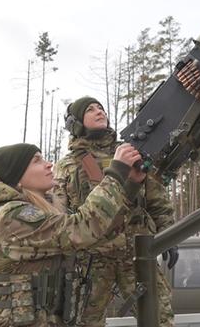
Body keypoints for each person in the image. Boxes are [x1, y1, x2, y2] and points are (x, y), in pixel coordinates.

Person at [0, 142, 144, 327]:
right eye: (37, 161)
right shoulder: (10, 217)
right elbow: (83, 228)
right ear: (17, 177)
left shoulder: (45, 213)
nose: (48, 164)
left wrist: (130, 186)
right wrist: (116, 173)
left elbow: (99, 233)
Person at [53, 96, 176, 326]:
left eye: (101, 108)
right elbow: (59, 216)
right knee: (83, 322)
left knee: (160, 318)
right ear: (76, 122)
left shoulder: (129, 153)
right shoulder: (67, 166)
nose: (99, 112)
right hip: (91, 261)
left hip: (136, 253)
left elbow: (155, 198)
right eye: (90, 110)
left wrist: (169, 233)